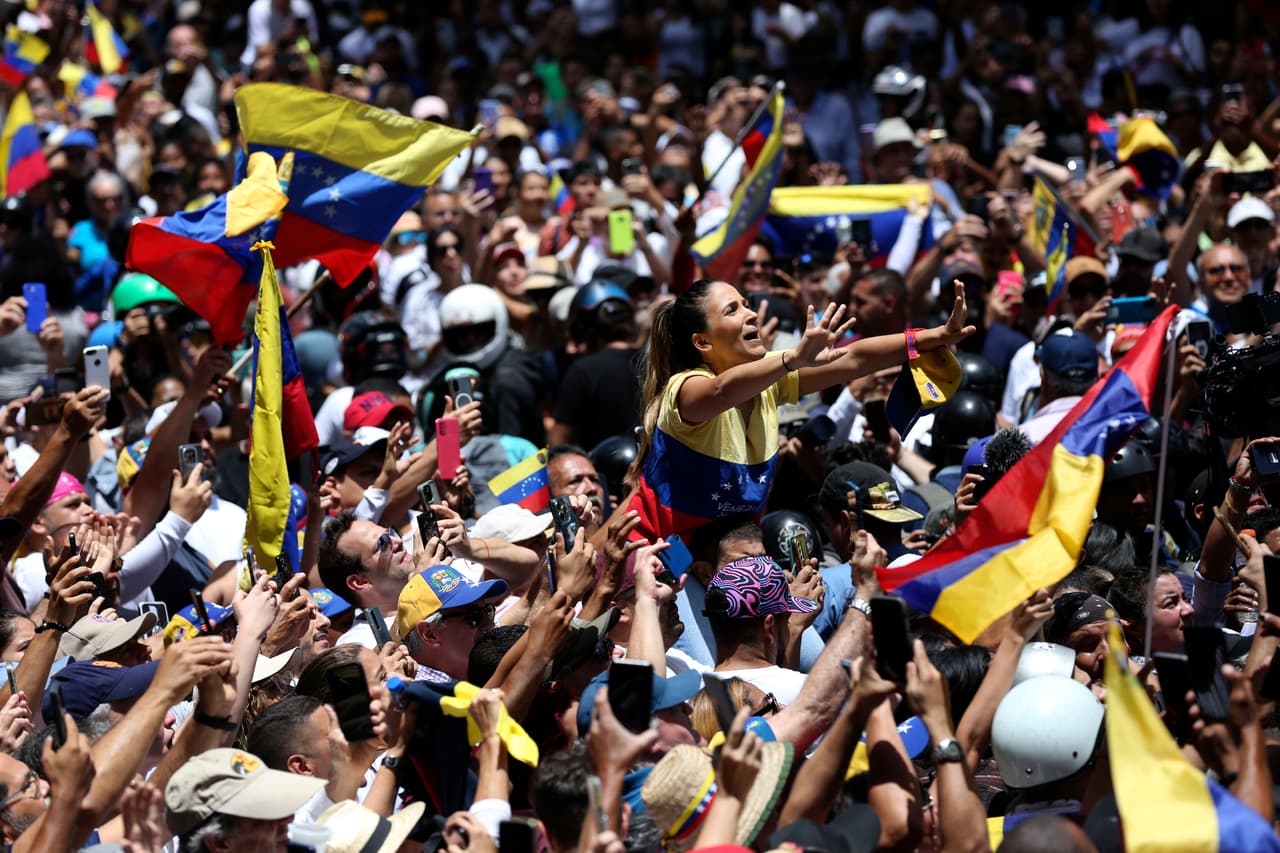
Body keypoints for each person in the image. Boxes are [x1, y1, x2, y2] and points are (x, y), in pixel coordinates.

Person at [623, 278, 972, 543]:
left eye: (746, 304)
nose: (750, 314)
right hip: (657, 557)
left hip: (728, 565)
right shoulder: (684, 388)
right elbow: (721, 390)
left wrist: (934, 336)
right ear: (702, 342)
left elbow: (855, 358)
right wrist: (792, 358)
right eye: (732, 310)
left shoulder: (770, 379)